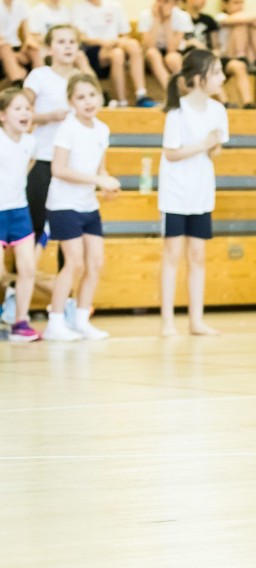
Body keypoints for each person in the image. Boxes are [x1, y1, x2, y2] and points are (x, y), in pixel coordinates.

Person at [43, 74, 119, 341]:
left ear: (99, 95)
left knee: (95, 262)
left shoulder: (102, 129)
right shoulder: (67, 129)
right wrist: (97, 179)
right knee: (73, 263)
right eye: (80, 97)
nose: (88, 102)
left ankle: (81, 320)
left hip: (88, 204)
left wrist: (105, 184)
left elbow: (99, 168)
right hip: (64, 204)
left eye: (92, 95)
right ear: (71, 102)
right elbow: (58, 169)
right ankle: (55, 321)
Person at [159, 50, 228, 336]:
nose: (222, 77)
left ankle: (196, 320)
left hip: (201, 192)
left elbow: (216, 149)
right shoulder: (177, 112)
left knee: (198, 255)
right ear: (200, 78)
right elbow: (172, 153)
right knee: (172, 255)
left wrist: (212, 146)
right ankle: (167, 322)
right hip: (175, 193)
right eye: (216, 72)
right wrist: (204, 144)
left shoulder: (218, 110)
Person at [24, 25, 90, 260]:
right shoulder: (39, 76)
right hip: (43, 159)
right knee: (34, 226)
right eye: (61, 42)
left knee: (69, 232)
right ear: (49, 48)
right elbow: (19, 112)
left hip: (72, 167)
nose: (68, 46)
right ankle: (17, 288)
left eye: (72, 42)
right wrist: (47, 117)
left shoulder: (82, 80)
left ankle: (66, 294)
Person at [0, 88, 40, 342]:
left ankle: (20, 322)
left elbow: (29, 163)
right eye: (18, 108)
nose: (25, 113)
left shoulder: (30, 142)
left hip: (19, 211)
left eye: (27, 108)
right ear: (3, 115)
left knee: (28, 267)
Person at [72, 0, 156, 107]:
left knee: (133, 45)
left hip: (114, 44)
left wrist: (116, 42)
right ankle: (122, 101)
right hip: (93, 50)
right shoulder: (79, 8)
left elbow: (125, 34)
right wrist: (103, 42)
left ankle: (141, 95)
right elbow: (82, 38)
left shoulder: (114, 6)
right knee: (117, 54)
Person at [182, 0, 253, 109]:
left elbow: (215, 45)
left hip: (211, 55)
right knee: (209, 66)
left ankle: (248, 104)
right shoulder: (179, 17)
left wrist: (216, 51)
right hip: (192, 58)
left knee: (238, 66)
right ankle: (225, 102)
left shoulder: (208, 20)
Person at [139, 0, 194, 90]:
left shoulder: (182, 16)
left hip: (172, 52)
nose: (160, 5)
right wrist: (156, 20)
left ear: (175, 3)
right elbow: (149, 46)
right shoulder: (145, 15)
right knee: (152, 53)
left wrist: (168, 21)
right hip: (150, 55)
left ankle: (188, 92)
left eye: (166, 1)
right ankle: (171, 93)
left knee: (173, 58)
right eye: (158, 1)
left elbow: (171, 49)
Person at [215, 0, 256, 74]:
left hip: (248, 54)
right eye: (236, 3)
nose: (239, 6)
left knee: (254, 28)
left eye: (241, 3)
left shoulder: (245, 18)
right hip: (228, 54)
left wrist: (254, 20)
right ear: (225, 5)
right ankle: (241, 57)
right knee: (240, 26)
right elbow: (238, 20)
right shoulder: (220, 16)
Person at [0, 0, 42, 85]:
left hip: (16, 46)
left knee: (33, 47)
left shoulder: (21, 4)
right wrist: (14, 56)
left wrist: (31, 44)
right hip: (3, 47)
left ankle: (42, 80)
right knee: (5, 47)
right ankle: (18, 81)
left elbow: (27, 35)